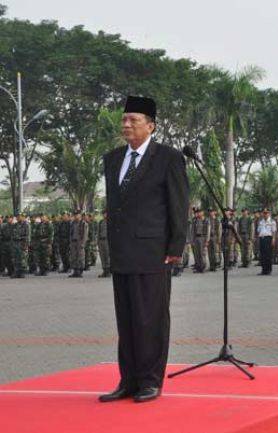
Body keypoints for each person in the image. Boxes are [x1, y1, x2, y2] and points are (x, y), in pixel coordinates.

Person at [99, 95, 189, 404]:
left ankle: (151, 381)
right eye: (124, 120)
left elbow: (179, 205)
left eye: (133, 120)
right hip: (122, 252)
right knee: (126, 319)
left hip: (153, 251)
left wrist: (175, 246)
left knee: (150, 318)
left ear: (150, 126)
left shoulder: (168, 158)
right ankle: (129, 380)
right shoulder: (112, 159)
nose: (126, 125)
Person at [68, 211, 88, 278]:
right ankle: (75, 271)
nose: (76, 216)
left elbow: (85, 235)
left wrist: (83, 243)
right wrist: (70, 242)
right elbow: (71, 233)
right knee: (74, 257)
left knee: (80, 257)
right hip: (73, 242)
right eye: (75, 215)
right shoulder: (72, 223)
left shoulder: (83, 224)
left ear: (80, 215)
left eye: (77, 215)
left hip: (80, 242)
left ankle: (80, 271)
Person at [257, 208, 276, 275]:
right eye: (264, 213)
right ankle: (263, 270)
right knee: (262, 255)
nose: (265, 214)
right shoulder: (261, 221)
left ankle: (269, 270)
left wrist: (273, 240)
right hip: (262, 238)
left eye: (266, 213)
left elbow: (273, 232)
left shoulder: (272, 221)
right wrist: (258, 239)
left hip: (268, 238)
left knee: (268, 255)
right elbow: (258, 231)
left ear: (269, 213)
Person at [191, 208, 210, 273]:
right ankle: (198, 267)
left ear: (202, 213)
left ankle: (203, 267)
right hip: (196, 238)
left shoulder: (206, 220)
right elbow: (193, 231)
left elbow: (208, 231)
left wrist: (207, 240)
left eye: (200, 212)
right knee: (197, 254)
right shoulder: (195, 220)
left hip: (203, 238)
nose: (198, 213)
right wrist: (192, 240)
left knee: (202, 253)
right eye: (198, 212)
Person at [98, 210, 111, 278]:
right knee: (102, 256)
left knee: (107, 256)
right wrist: (98, 241)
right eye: (103, 214)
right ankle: (104, 270)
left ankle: (108, 271)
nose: (104, 215)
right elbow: (99, 232)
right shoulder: (101, 222)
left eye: (105, 213)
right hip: (101, 240)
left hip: (107, 240)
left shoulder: (111, 221)